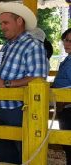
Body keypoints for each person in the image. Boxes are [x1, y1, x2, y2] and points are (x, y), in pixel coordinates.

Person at [0, 3, 49, 164]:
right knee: (6, 157)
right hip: (2, 109)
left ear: (19, 21)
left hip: (20, 110)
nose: (2, 27)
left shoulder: (33, 45)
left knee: (25, 155)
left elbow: (38, 78)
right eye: (0, 23)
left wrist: (6, 84)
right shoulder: (7, 47)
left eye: (5, 23)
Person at [52, 28, 71, 165]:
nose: (67, 43)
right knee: (67, 146)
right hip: (64, 108)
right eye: (65, 40)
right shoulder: (67, 59)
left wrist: (63, 102)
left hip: (68, 107)